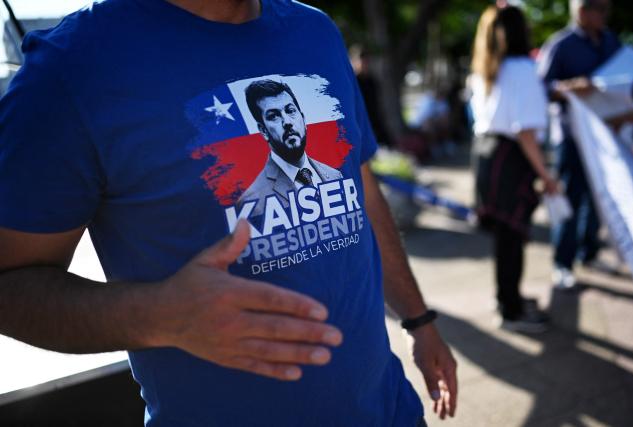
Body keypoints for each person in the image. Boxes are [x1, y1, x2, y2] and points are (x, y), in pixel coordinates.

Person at [0, 0, 457, 426]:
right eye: (273, 118)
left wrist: (419, 321)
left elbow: (362, 191)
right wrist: (157, 315)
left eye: (292, 111)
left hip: (390, 410)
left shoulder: (314, 30)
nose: (289, 124)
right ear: (260, 127)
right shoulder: (74, 66)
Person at [469, 5, 559, 333]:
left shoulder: (487, 67)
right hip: (510, 157)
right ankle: (511, 310)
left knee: (505, 239)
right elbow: (526, 132)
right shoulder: (522, 68)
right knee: (513, 237)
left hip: (486, 154)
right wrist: (547, 175)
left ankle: (508, 299)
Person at [537, 0, 621, 289]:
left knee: (599, 198)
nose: (606, 16)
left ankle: (590, 251)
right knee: (570, 198)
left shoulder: (610, 40)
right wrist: (570, 87)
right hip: (571, 136)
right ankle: (563, 263)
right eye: (602, 9)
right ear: (584, 11)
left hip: (607, 134)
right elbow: (542, 86)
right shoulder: (561, 44)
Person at [237, 79, 343, 216]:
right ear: (263, 130)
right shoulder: (252, 202)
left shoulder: (335, 175)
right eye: (273, 116)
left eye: (290, 110)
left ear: (303, 119)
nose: (287, 122)